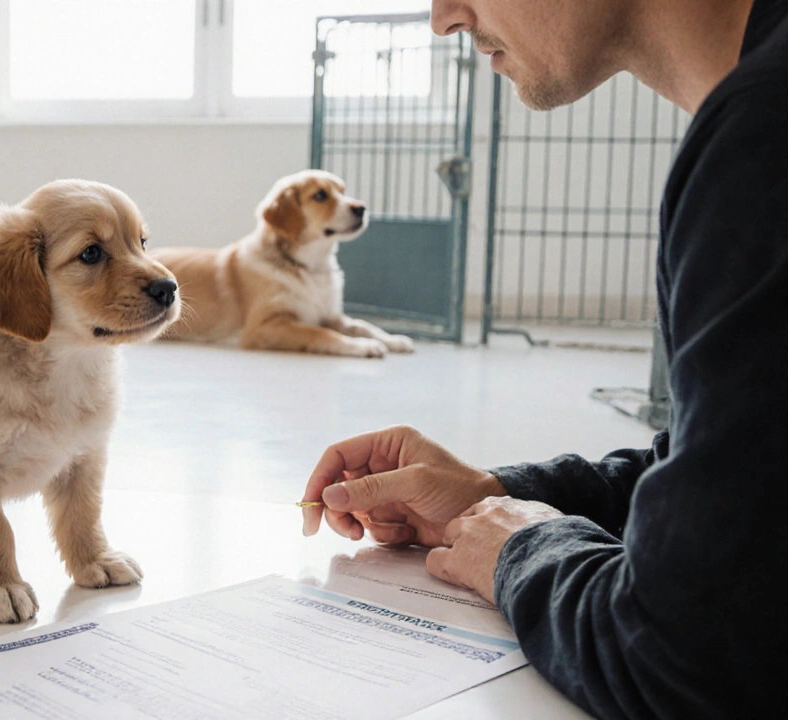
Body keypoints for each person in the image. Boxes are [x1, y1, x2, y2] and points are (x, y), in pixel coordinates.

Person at [301, 0, 787, 717]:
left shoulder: (763, 137)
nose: (443, 18)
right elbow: (737, 485)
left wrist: (521, 548)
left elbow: (688, 656)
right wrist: (491, 494)